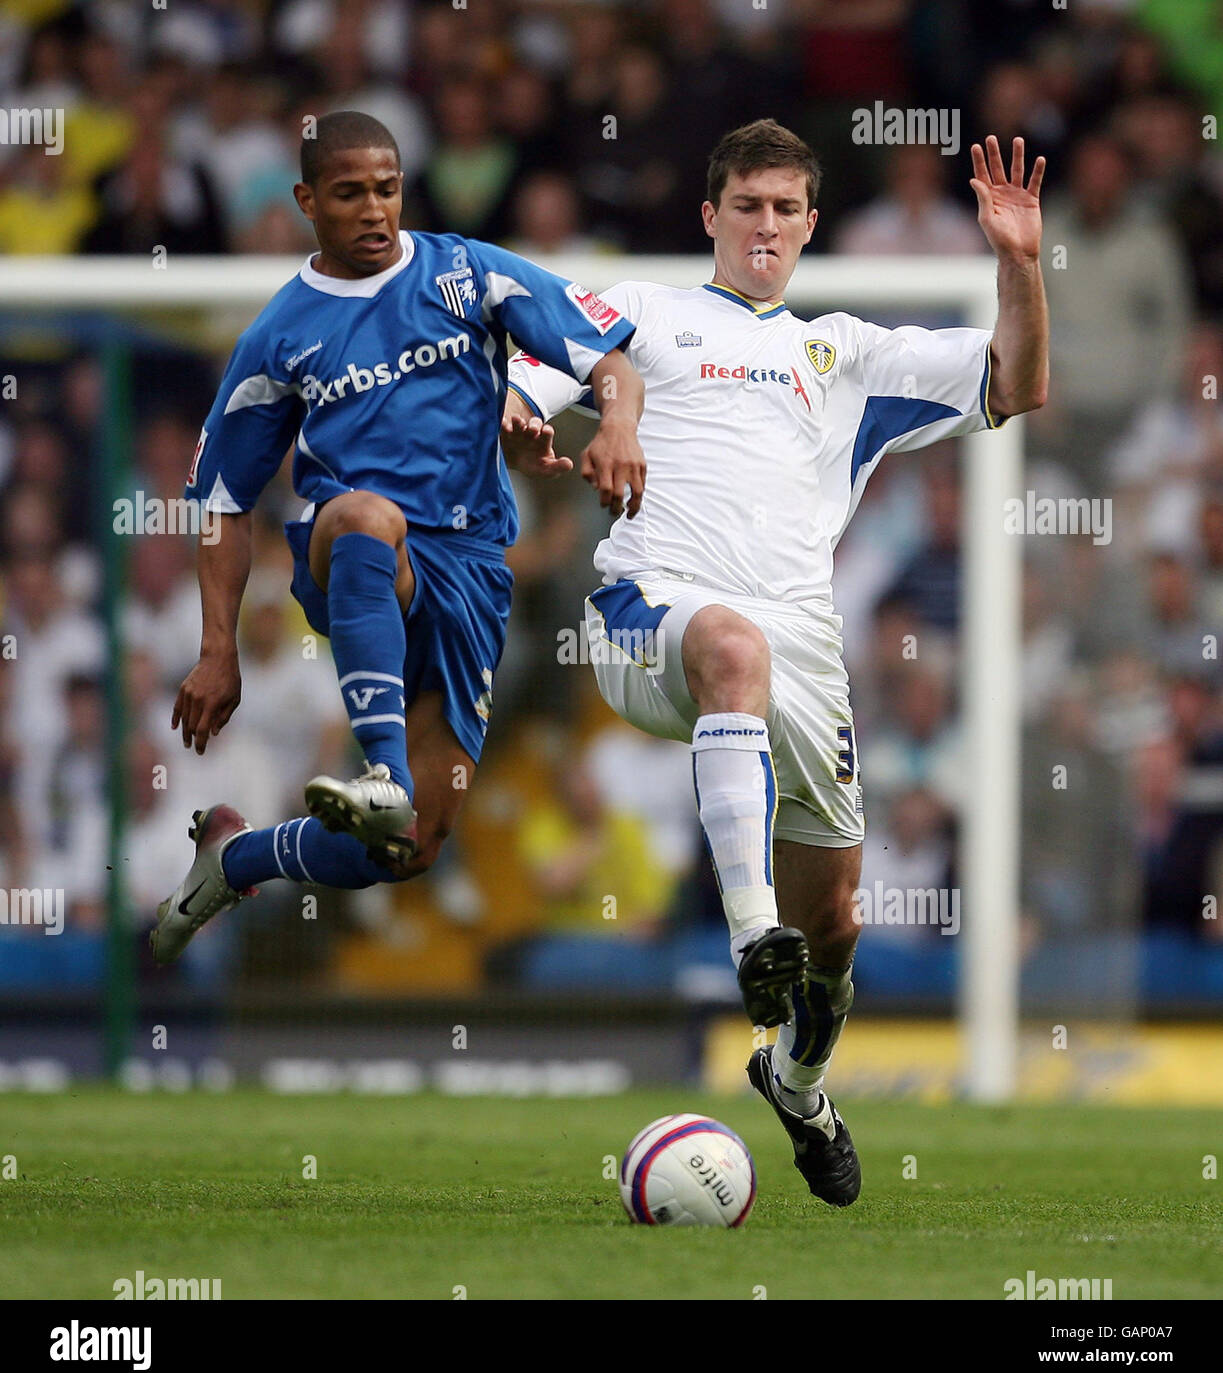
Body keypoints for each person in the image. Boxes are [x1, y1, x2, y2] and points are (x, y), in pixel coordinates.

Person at [503, 119, 1048, 1205]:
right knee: (728, 645)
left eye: (784, 208)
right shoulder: (642, 312)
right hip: (649, 610)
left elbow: (1015, 382)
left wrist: (1018, 263)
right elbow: (527, 376)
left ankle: (795, 1083)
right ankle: (750, 933)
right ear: (710, 217)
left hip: (802, 655)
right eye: (745, 204)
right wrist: (524, 425)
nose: (764, 225)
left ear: (809, 225)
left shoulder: (843, 353)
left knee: (836, 924)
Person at [152, 110, 645, 965]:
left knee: (409, 846)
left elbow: (608, 359)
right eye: (350, 194)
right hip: (351, 554)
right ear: (308, 201)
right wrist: (217, 648)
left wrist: (617, 427)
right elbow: (224, 502)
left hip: (474, 574)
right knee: (363, 516)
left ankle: (234, 859)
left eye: (386, 188)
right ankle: (379, 767)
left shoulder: (467, 272)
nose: (375, 209)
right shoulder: (278, 335)